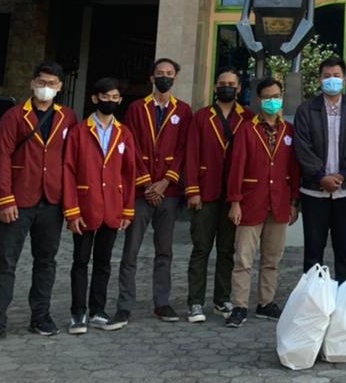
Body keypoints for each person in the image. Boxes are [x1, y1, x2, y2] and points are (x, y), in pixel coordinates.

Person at [0, 62, 78, 344]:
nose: (46, 87)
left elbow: (70, 162)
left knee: (46, 261)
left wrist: (70, 205)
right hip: (19, 200)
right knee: (6, 262)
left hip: (52, 201)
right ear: (32, 83)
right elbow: (2, 158)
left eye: (52, 83)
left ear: (60, 87)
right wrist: (5, 199)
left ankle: (41, 316)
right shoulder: (14, 116)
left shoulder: (68, 117)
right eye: (42, 81)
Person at [115, 58, 192, 327]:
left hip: (168, 192)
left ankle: (162, 302)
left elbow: (185, 149)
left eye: (169, 74)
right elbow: (130, 145)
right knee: (131, 250)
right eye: (160, 73)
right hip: (140, 191)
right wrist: (147, 183)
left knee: (165, 250)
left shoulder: (183, 110)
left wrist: (166, 182)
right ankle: (124, 305)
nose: (164, 78)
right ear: (151, 78)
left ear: (176, 78)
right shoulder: (137, 108)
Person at [224, 77, 300, 328]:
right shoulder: (247, 129)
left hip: (278, 203)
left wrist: (293, 202)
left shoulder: (288, 131)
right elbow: (236, 168)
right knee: (244, 258)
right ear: (259, 100)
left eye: (276, 96)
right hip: (250, 202)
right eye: (267, 97)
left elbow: (293, 169)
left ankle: (266, 303)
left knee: (272, 258)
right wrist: (235, 201)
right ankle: (239, 305)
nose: (272, 101)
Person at [63, 78, 136, 334]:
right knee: (80, 261)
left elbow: (129, 173)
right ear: (95, 99)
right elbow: (68, 171)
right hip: (85, 206)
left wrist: (128, 209)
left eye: (116, 97)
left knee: (104, 262)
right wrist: (71, 210)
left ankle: (97, 310)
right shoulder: (79, 131)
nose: (111, 101)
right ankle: (78, 313)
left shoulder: (123, 132)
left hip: (113, 208)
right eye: (106, 97)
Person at [293, 56, 346, 283]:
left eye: (336, 76)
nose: (332, 80)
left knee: (345, 252)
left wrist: (344, 175)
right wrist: (320, 177)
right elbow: (302, 147)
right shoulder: (306, 110)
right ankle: (312, 302)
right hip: (314, 192)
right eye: (327, 76)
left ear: (344, 78)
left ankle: (343, 301)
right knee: (313, 254)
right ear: (319, 79)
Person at [185, 67, 248, 323]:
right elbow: (190, 154)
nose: (226, 87)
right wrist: (192, 190)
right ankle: (195, 301)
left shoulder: (247, 117)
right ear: (214, 88)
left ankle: (222, 298)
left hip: (233, 195)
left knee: (226, 249)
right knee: (201, 248)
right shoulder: (201, 117)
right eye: (222, 83)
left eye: (231, 83)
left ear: (239, 88)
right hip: (205, 190)